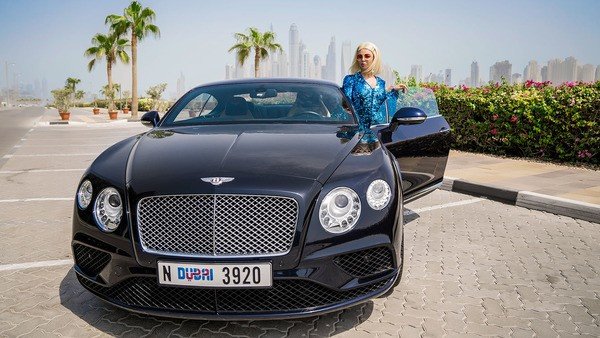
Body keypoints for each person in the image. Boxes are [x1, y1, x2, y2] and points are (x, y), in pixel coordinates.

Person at [342, 42, 407, 131]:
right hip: (357, 132)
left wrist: (393, 90)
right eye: (359, 56)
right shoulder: (350, 80)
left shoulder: (381, 83)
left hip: (378, 131)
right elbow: (346, 106)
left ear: (374, 58)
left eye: (367, 56)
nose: (363, 59)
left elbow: (384, 106)